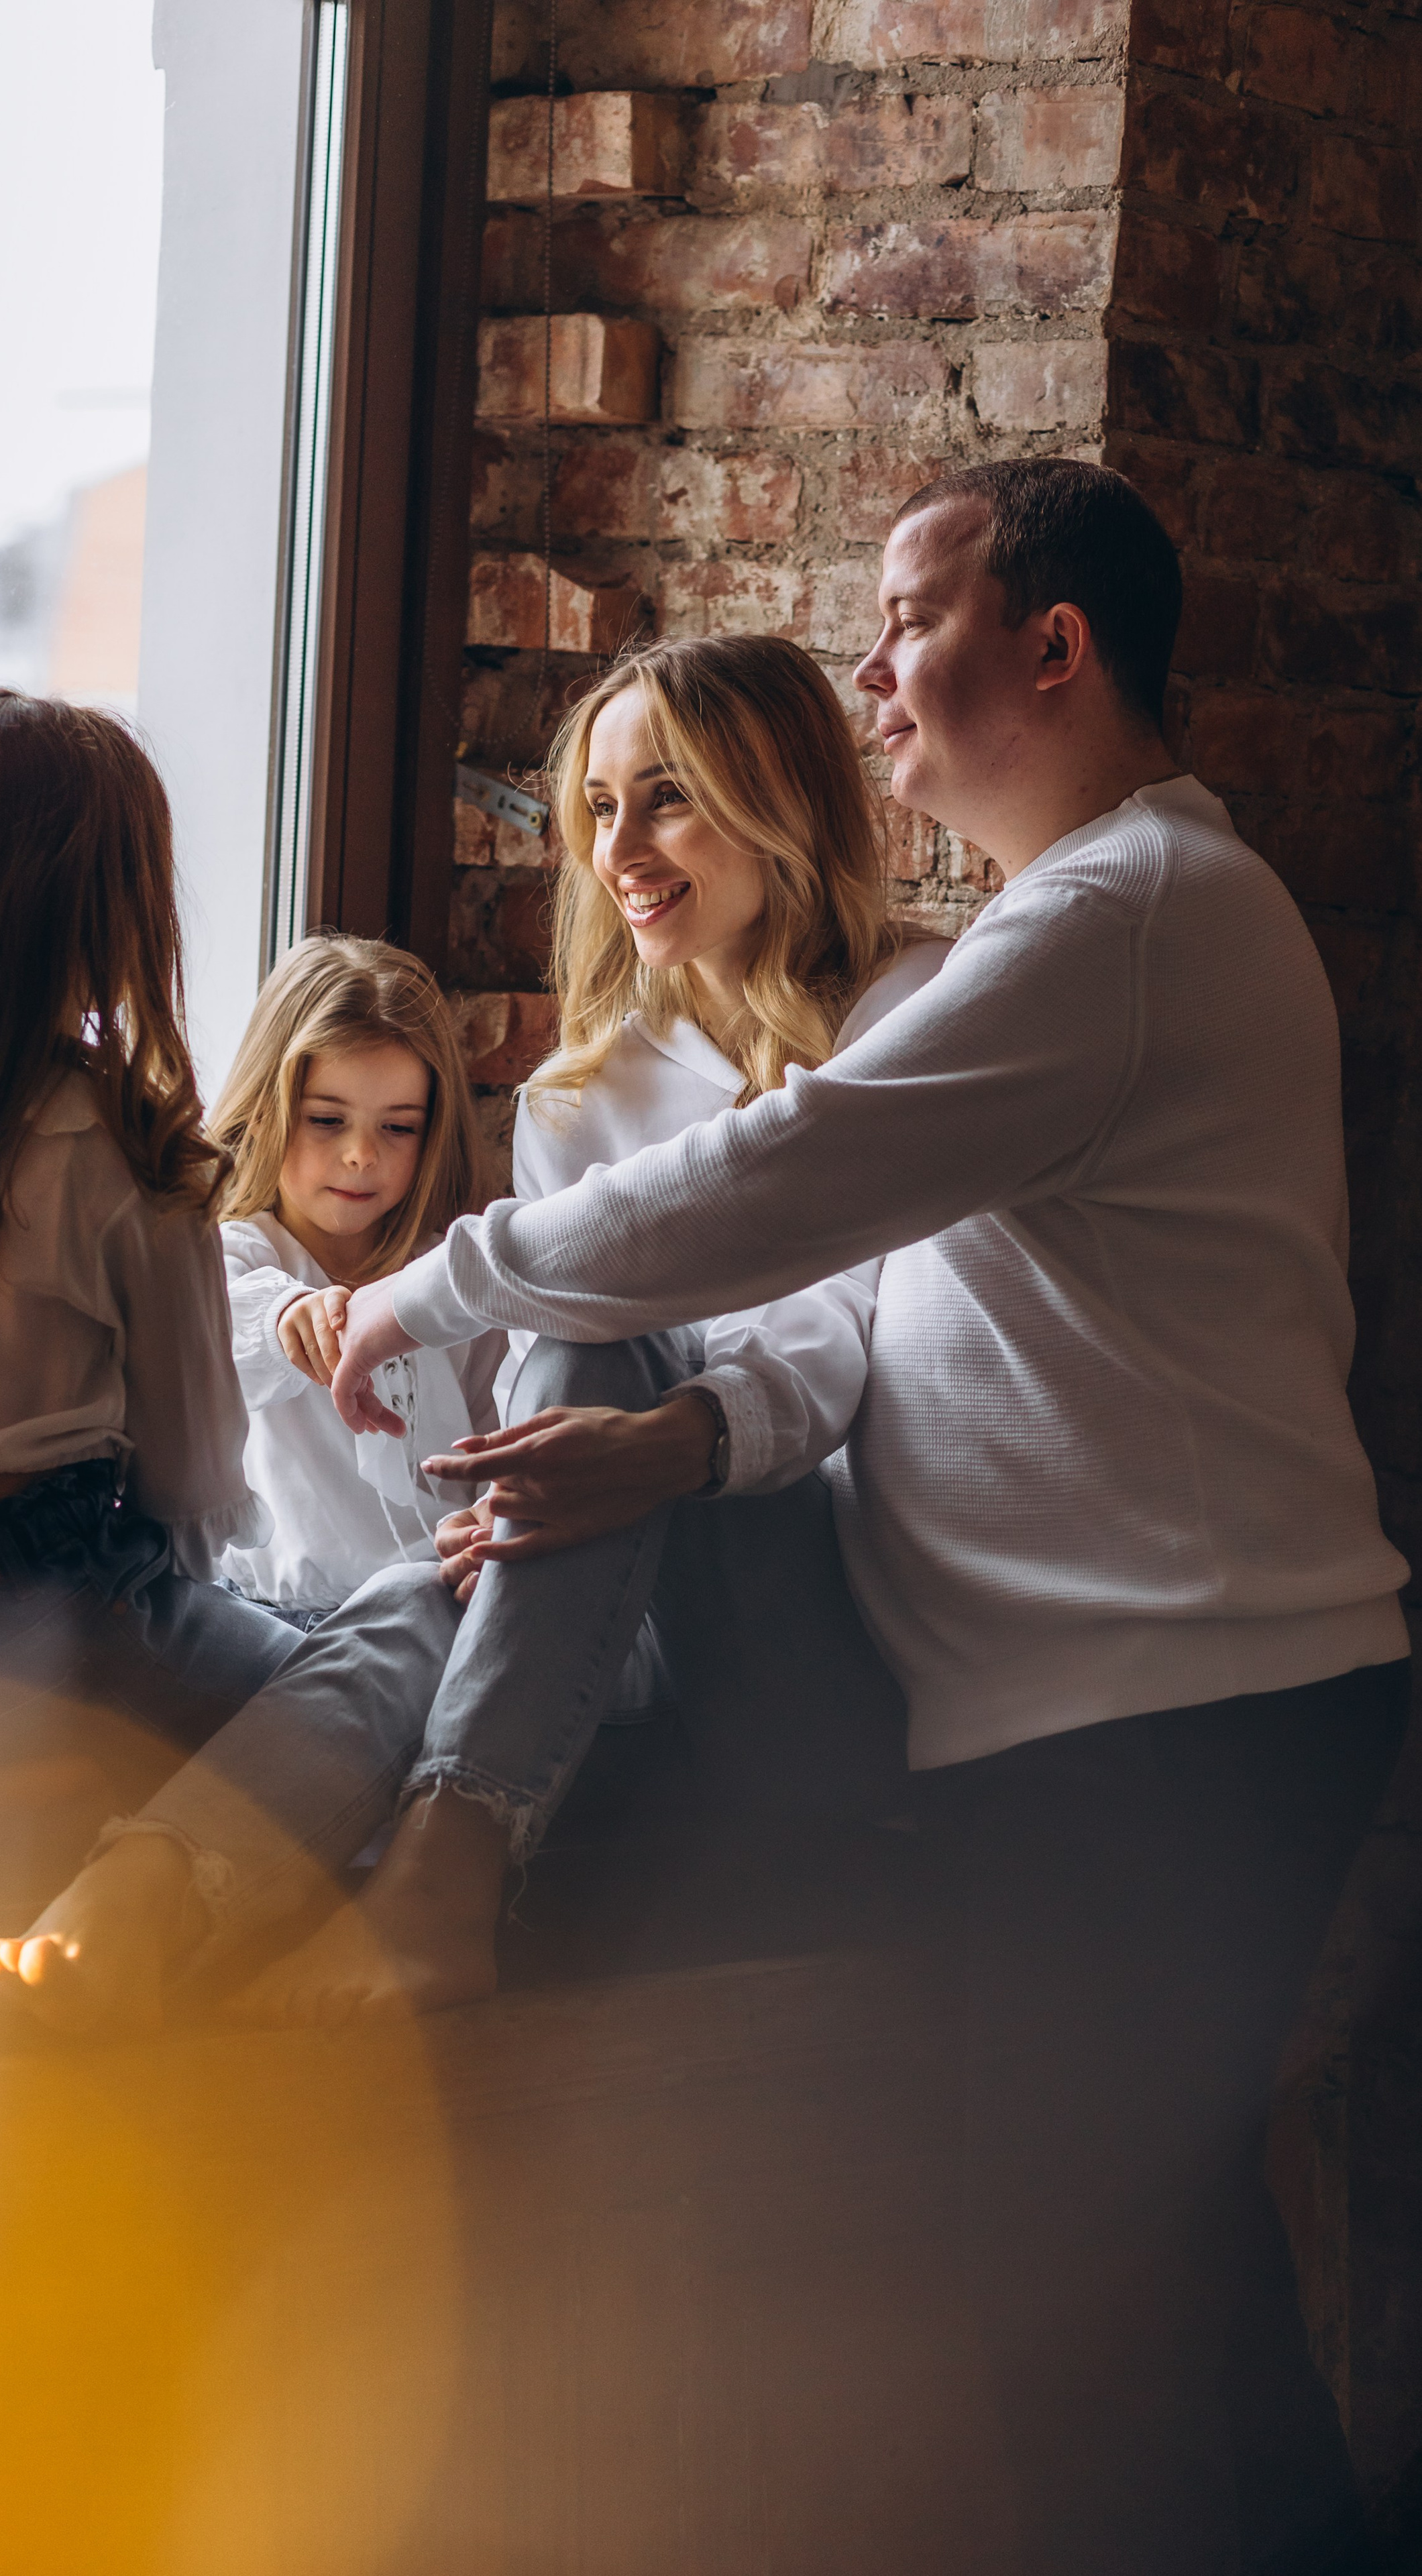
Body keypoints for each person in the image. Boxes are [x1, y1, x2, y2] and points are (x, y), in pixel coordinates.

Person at [325, 461, 1410, 2574]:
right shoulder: (1084, 921)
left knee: (1122, 2352)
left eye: (906, 618)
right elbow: (864, 1317)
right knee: (1132, 2332)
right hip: (1112, 1728)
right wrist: (680, 1440)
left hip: (1172, 1722)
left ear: (1050, 646)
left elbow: (774, 1179)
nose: (869, 674)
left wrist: (427, 1281)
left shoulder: (1122, 915)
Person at [0, 632, 940, 2023]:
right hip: (607, 1615)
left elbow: (831, 1339)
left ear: (774, 796)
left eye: (666, 796)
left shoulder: (910, 1014)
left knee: (604, 1358)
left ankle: (323, 1874)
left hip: (805, 1608)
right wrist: (522, 1491)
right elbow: (548, 1346)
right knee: (452, 1556)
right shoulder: (577, 1099)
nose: (621, 851)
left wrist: (648, 1446)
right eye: (598, 808)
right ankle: (180, 1884)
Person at [0, 691, 301, 1909]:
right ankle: (32, 1785)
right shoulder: (120, 1147)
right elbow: (191, 1477)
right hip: (38, 1617)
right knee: (342, 1680)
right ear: (103, 919)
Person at [209, 933, 504, 1630]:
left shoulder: (450, 1271)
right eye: (326, 1120)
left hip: (434, 1606)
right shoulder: (237, 1251)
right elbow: (211, 1328)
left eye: (398, 1127)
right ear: (264, 1109)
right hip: (268, 1614)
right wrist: (291, 1317)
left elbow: (496, 1428)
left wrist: (489, 1519)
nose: (360, 1154)